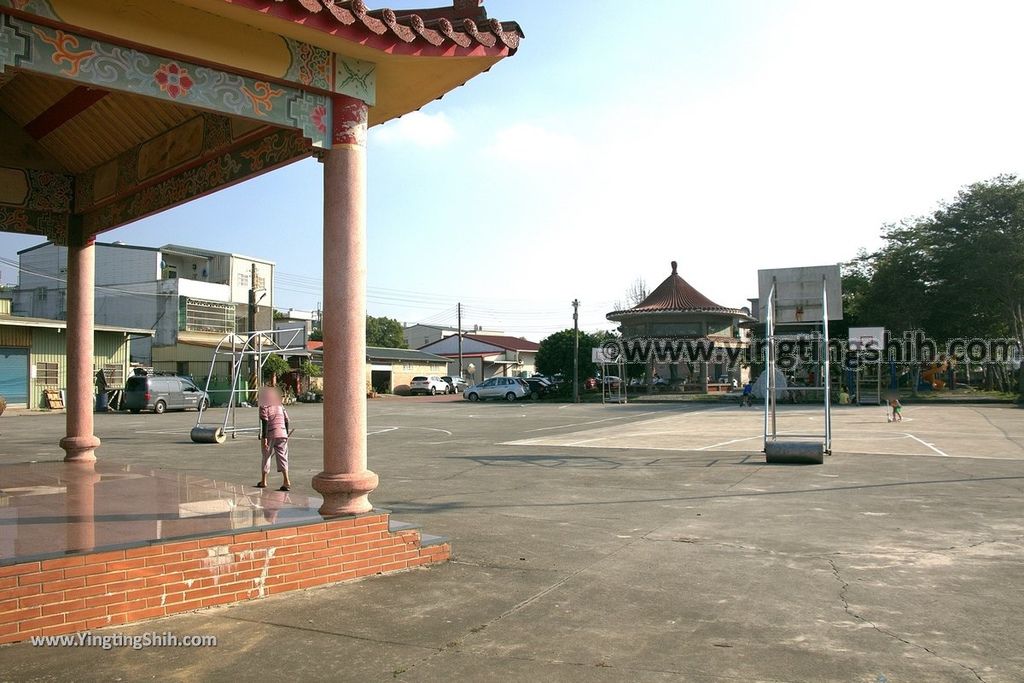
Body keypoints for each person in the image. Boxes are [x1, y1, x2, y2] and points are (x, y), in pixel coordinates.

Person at [257, 386, 292, 491]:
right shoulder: (280, 406)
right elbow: (286, 420)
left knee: (266, 456)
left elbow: (265, 423)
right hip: (282, 433)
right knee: (283, 456)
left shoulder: (264, 407)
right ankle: (286, 481)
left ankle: (264, 481)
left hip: (270, 434)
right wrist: (286, 433)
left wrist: (265, 439)